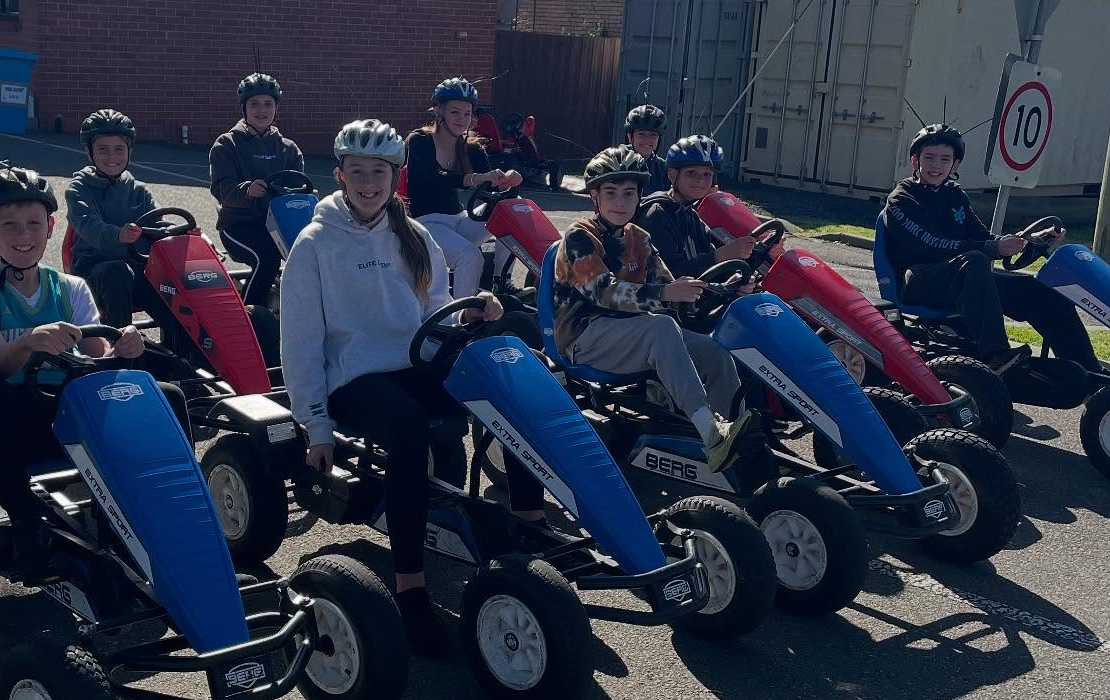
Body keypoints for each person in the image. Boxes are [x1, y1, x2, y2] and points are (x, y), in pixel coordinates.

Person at [280, 119, 554, 656]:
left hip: (412, 363)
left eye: (377, 172)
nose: (367, 182)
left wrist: (472, 316)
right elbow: (301, 343)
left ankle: (530, 522)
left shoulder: (414, 234)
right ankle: (410, 585)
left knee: (505, 389)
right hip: (352, 379)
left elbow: (434, 315)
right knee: (406, 424)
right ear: (338, 175)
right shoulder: (314, 246)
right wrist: (314, 425)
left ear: (393, 177)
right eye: (356, 171)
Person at [0, 166, 190, 581]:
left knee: (165, 395)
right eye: (10, 225)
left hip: (61, 412)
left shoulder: (70, 287)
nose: (24, 235)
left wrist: (123, 348)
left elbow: (97, 356)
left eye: (34, 224)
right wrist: (30, 341)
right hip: (2, 425)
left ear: (51, 226)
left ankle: (169, 514)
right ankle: (26, 524)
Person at [553, 146, 756, 473]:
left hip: (632, 334)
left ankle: (738, 434)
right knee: (660, 328)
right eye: (611, 193)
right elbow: (603, 291)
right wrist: (664, 293)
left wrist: (718, 289)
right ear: (595, 198)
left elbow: (669, 287)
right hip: (584, 336)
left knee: (713, 348)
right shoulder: (580, 236)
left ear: (638, 197)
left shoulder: (640, 238)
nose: (620, 202)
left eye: (629, 193)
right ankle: (711, 435)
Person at [882, 123, 1097, 375]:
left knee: (1041, 291)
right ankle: (997, 355)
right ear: (915, 160)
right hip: (917, 280)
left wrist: (1028, 241)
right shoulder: (901, 199)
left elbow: (983, 237)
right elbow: (929, 244)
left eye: (944, 159)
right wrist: (992, 248)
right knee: (973, 260)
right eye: (929, 157)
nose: (936, 165)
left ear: (955, 165)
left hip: (963, 278)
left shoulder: (954, 196)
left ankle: (1090, 374)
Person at [404, 76, 521, 297]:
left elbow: (492, 191)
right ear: (439, 112)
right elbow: (437, 176)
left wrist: (507, 181)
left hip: (459, 221)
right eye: (455, 112)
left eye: (467, 113)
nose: (462, 119)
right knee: (470, 256)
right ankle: (459, 320)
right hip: (426, 225)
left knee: (511, 208)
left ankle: (501, 282)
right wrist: (474, 178)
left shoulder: (473, 149)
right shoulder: (419, 141)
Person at [209, 73, 304, 306]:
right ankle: (251, 316)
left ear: (276, 107)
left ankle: (297, 313)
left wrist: (303, 196)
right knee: (267, 259)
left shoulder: (289, 149)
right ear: (244, 107)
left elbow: (299, 186)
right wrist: (247, 191)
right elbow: (221, 189)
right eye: (254, 104)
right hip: (239, 225)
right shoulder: (226, 144)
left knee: (310, 256)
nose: (261, 110)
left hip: (280, 226)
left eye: (268, 104)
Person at [63, 109, 162, 328]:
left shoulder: (139, 191)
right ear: (90, 153)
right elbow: (90, 226)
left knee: (172, 283)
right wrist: (118, 234)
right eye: (103, 150)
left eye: (119, 149)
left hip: (136, 267)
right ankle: (120, 345)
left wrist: (186, 234)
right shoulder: (78, 190)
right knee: (117, 272)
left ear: (129, 151)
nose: (112, 157)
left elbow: (159, 225)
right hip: (92, 269)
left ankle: (184, 350)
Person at [635, 134, 758, 280]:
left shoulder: (692, 217)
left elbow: (707, 265)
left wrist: (737, 278)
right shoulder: (656, 215)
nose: (700, 180)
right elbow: (669, 273)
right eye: (691, 173)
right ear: (672, 174)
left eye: (707, 174)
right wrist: (720, 255)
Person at [623, 104, 667, 178]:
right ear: (630, 137)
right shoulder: (615, 162)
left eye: (653, 135)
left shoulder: (664, 169)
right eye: (641, 134)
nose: (647, 139)